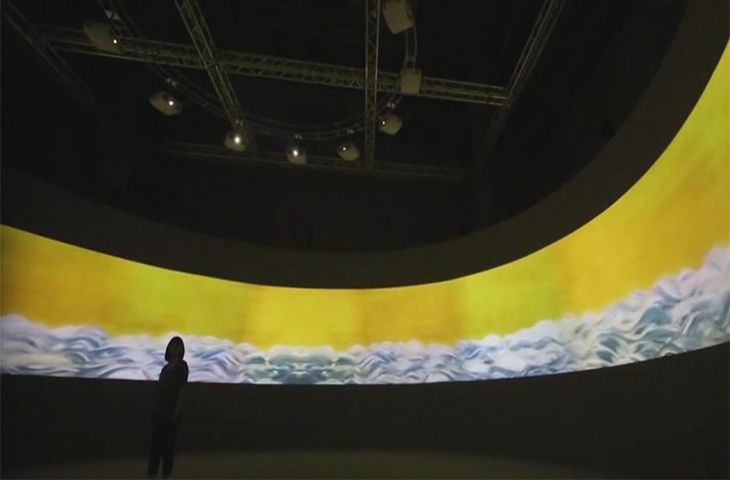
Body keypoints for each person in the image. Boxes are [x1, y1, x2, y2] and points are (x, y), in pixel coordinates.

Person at [147, 336, 189, 478]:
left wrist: (177, 410)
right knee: (155, 445)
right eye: (172, 346)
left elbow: (182, 389)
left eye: (178, 346)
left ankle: (166, 474)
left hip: (171, 412)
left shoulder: (182, 366)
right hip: (159, 410)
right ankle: (152, 473)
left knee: (168, 445)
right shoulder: (165, 368)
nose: (175, 349)